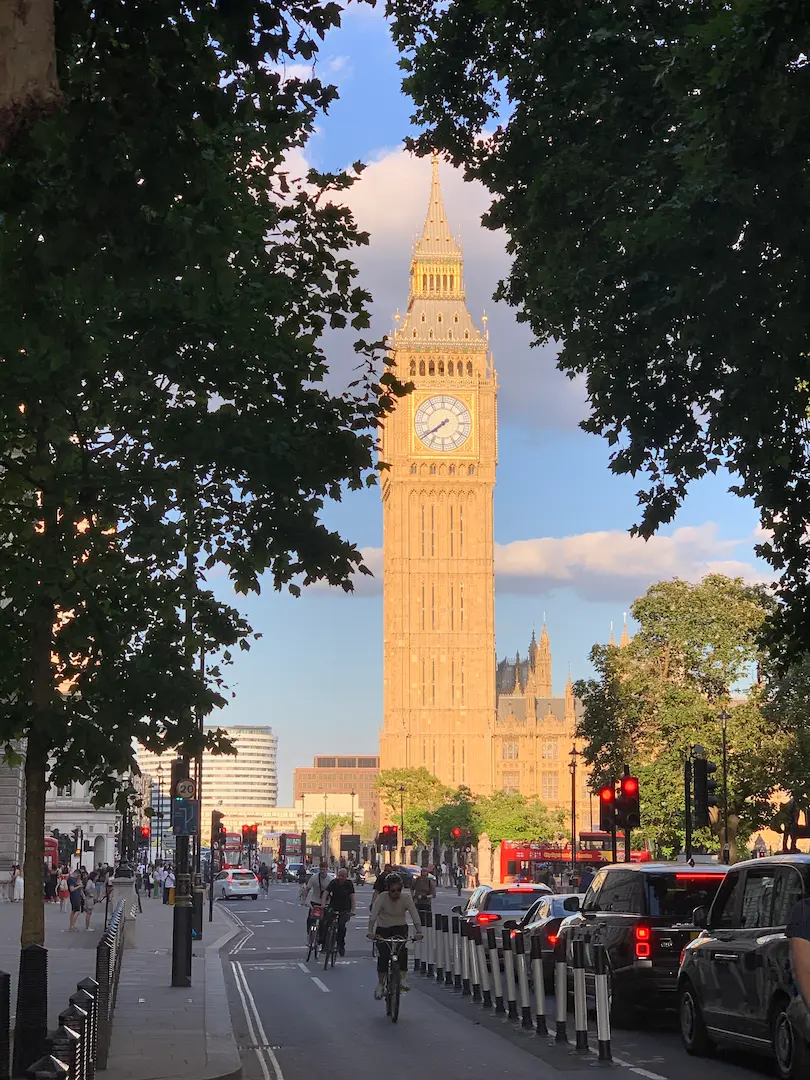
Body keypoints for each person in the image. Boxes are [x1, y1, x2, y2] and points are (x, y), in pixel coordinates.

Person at [368, 873, 423, 998]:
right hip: (383, 928)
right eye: (393, 890)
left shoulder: (406, 898)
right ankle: (380, 984)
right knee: (384, 955)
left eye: (399, 890)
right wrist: (370, 931)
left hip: (400, 928)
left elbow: (415, 916)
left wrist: (419, 932)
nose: (396, 893)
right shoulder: (382, 897)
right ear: (387, 889)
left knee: (402, 951)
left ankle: (402, 979)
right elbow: (373, 916)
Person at [324, 867, 356, 956]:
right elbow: (326, 893)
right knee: (327, 922)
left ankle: (340, 945)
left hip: (345, 908)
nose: (341, 878)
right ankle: (326, 943)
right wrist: (323, 904)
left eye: (343, 876)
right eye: (339, 876)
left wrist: (353, 910)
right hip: (333, 906)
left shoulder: (349, 884)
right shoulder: (334, 882)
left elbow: (352, 898)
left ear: (346, 876)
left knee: (341, 925)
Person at [302, 861, 332, 942]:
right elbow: (307, 889)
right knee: (310, 920)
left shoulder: (330, 879)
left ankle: (322, 940)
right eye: (321, 869)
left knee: (324, 922)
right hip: (315, 902)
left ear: (327, 869)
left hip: (326, 903)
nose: (322, 871)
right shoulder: (314, 877)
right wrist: (304, 900)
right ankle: (310, 935)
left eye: (324, 870)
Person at [411, 866, 436, 933]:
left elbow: (433, 895)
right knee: (417, 919)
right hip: (417, 903)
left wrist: (425, 897)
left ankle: (426, 932)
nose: (423, 873)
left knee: (426, 919)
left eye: (425, 872)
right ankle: (418, 931)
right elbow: (412, 889)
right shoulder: (417, 880)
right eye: (422, 871)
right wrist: (413, 896)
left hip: (426, 903)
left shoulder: (429, 881)